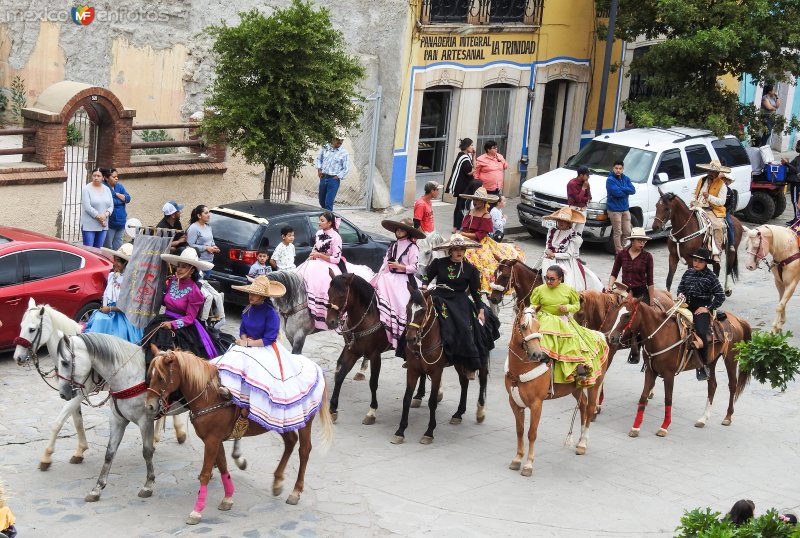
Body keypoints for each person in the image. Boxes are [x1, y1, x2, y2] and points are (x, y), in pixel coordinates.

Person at [211, 276, 324, 433]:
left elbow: (269, 339)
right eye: (250, 293)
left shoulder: (270, 313)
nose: (250, 296)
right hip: (247, 345)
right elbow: (242, 329)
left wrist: (248, 344)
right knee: (227, 360)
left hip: (265, 348)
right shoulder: (248, 309)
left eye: (254, 294)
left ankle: (248, 407)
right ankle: (229, 391)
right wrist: (243, 340)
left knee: (255, 370)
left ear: (263, 296)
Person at [421, 234, 500, 380]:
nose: (459, 252)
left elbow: (476, 293)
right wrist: (424, 287)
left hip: (459, 300)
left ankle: (470, 364)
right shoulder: (438, 263)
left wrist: (481, 309)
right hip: (438, 296)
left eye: (462, 249)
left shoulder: (471, 269)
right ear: (450, 250)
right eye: (456, 249)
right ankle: (412, 355)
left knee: (465, 328)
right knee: (418, 318)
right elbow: (427, 276)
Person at [142, 248, 222, 369]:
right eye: (178, 266)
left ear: (192, 270)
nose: (179, 269)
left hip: (183, 325)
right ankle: (155, 363)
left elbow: (190, 318)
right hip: (165, 318)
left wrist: (173, 324)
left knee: (169, 342)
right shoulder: (172, 282)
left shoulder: (195, 291)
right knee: (153, 334)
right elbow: (166, 301)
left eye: (183, 267)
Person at [529, 265, 607, 387]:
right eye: (547, 278)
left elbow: (576, 305)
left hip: (563, 319)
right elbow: (534, 304)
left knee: (574, 340)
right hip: (545, 318)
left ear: (560, 279)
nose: (548, 281)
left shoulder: (568, 290)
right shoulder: (539, 290)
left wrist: (567, 308)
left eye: (552, 279)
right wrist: (532, 309)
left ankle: (578, 365)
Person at [295, 211, 374, 330]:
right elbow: (316, 247)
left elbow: (336, 259)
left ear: (330, 223)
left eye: (322, 221)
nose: (319, 223)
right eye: (319, 220)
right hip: (316, 261)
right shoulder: (319, 233)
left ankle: (328, 313)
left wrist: (320, 255)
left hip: (330, 264)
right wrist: (314, 254)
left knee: (325, 283)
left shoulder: (336, 237)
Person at [459, 187, 524, 294]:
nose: (475, 202)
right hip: (464, 237)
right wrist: (461, 234)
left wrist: (464, 234)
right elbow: (463, 227)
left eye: (478, 200)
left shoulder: (486, 215)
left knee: (482, 258)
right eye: (474, 200)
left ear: (484, 201)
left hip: (479, 242)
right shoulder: (470, 212)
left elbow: (480, 235)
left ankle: (479, 282)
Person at [372, 218, 423, 350]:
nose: (399, 231)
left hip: (404, 280)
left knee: (402, 306)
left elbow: (414, 267)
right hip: (389, 278)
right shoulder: (393, 246)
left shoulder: (413, 247)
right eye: (398, 229)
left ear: (408, 232)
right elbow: (385, 264)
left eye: (402, 229)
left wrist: (400, 266)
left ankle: (404, 340)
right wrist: (379, 274)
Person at [676, 248, 726, 381]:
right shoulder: (688, 273)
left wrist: (707, 308)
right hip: (685, 306)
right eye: (695, 260)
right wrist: (680, 295)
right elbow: (681, 288)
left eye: (699, 261)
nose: (696, 263)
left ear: (705, 263)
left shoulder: (711, 276)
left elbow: (720, 296)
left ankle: (703, 365)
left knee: (701, 332)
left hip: (701, 308)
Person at [608, 227, 655, 364]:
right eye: (640, 240)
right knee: (611, 309)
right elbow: (614, 273)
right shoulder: (622, 254)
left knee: (642, 318)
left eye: (644, 241)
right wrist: (610, 286)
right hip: (624, 290)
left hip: (641, 291)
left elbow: (650, 281)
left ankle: (636, 346)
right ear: (632, 241)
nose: (642, 243)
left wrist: (651, 301)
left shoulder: (647, 257)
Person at [84, 243, 143, 343]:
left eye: (118, 261)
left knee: (111, 330)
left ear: (126, 264)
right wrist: (105, 305)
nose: (114, 263)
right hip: (108, 310)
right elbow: (107, 295)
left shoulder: (133, 281)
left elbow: (128, 307)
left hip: (124, 316)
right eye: (114, 259)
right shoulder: (112, 275)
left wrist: (110, 309)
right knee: (98, 319)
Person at [541, 207, 603, 291]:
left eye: (564, 221)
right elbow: (548, 246)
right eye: (559, 220)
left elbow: (569, 254)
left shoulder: (574, 236)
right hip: (548, 259)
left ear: (569, 223)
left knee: (569, 284)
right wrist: (548, 252)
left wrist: (554, 255)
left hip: (565, 262)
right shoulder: (552, 231)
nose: (561, 223)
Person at [693, 160, 731, 258]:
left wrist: (709, 197)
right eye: (709, 171)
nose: (710, 173)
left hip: (713, 210)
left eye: (713, 172)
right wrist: (693, 201)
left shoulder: (722, 185)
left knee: (718, 226)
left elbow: (722, 202)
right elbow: (695, 193)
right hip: (699, 207)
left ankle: (716, 252)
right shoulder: (701, 180)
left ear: (718, 173)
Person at [445, 138, 476, 232]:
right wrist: (475, 169)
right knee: (461, 207)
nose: (472, 147)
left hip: (462, 185)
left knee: (459, 206)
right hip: (462, 186)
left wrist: (473, 155)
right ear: (466, 146)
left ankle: (455, 227)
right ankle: (458, 227)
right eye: (471, 145)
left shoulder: (464, 156)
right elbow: (470, 172)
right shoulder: (464, 158)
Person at [606, 160, 636, 253]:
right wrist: (626, 191)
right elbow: (616, 193)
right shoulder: (610, 180)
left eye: (620, 168)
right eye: (616, 168)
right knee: (618, 232)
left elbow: (633, 190)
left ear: (622, 169)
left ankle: (622, 248)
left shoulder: (626, 178)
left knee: (627, 231)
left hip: (625, 209)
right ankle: (618, 252)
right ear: (613, 168)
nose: (618, 170)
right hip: (614, 210)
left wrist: (622, 188)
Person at [315, 133, 350, 211]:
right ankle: (325, 218)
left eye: (342, 140)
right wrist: (319, 170)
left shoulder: (344, 153)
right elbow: (319, 159)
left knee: (328, 203)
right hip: (323, 178)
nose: (340, 141)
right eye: (338, 139)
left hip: (333, 180)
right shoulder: (325, 148)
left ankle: (329, 220)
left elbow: (346, 168)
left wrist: (337, 177)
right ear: (333, 139)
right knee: (321, 201)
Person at [414, 181, 445, 270]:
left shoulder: (429, 202)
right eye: (437, 190)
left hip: (431, 235)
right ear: (432, 191)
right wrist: (424, 237)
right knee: (423, 262)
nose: (438, 192)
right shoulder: (421, 204)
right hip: (424, 237)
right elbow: (416, 223)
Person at [80, 167, 114, 248]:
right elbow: (87, 206)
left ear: (103, 177)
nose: (96, 178)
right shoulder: (86, 189)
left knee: (99, 250)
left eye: (98, 176)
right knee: (89, 250)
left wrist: (105, 215)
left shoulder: (107, 189)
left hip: (103, 225)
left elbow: (111, 205)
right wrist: (99, 216)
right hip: (89, 225)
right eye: (94, 176)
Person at [186, 205, 220, 277]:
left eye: (209, 213)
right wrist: (206, 248)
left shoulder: (208, 227)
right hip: (198, 263)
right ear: (199, 215)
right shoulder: (194, 228)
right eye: (206, 213)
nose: (209, 215)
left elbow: (211, 240)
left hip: (209, 263)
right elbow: (190, 245)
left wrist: (214, 246)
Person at [102, 168, 131, 250]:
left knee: (118, 244)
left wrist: (117, 194)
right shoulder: (103, 187)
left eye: (117, 176)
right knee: (108, 245)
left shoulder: (119, 186)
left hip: (121, 221)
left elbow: (128, 198)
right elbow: (108, 202)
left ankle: (117, 262)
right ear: (106, 178)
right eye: (114, 177)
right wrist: (121, 200)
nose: (116, 178)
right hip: (110, 222)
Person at [567, 165, 591, 235]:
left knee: (579, 232)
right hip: (574, 209)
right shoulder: (572, 183)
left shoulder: (586, 183)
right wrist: (583, 189)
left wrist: (587, 188)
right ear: (581, 175)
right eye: (587, 175)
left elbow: (589, 198)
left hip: (583, 209)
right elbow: (578, 199)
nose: (588, 177)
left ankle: (576, 245)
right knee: (570, 231)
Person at [781, 140, 800, 224]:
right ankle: (796, 218)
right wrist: (788, 163)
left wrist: (787, 164)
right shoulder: (798, 157)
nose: (796, 147)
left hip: (796, 182)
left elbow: (796, 170)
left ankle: (797, 219)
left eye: (797, 145)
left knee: (795, 201)